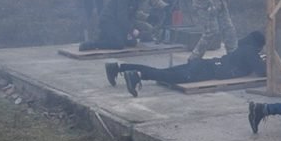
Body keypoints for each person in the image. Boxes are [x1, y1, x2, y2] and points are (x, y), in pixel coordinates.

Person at [105, 30, 266, 96]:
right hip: (205, 72)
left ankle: (119, 67)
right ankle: (137, 76)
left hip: (203, 65)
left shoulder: (242, 47)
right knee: (165, 75)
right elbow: (262, 71)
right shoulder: (251, 51)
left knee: (163, 71)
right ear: (259, 45)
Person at [78, 0, 150, 51]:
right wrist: (132, 30)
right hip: (108, 21)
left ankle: (108, 37)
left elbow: (131, 16)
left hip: (118, 23)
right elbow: (122, 17)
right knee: (118, 44)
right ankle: (94, 44)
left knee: (132, 42)